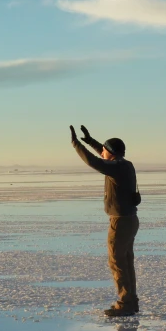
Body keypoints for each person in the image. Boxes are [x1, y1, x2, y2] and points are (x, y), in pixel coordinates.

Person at [70, 125, 139, 317]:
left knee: (117, 262)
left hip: (120, 223)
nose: (102, 153)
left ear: (111, 154)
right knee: (126, 261)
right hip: (129, 220)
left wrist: (76, 144)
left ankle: (125, 303)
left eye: (104, 151)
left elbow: (94, 161)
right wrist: (91, 141)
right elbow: (104, 154)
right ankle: (131, 301)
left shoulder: (116, 168)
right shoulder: (125, 165)